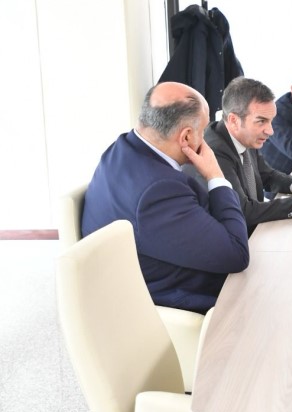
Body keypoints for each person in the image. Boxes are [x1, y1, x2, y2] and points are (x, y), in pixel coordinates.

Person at [81, 82, 249, 314]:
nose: (205, 139)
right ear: (186, 137)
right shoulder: (159, 190)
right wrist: (215, 176)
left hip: (138, 270)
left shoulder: (121, 148)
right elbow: (236, 254)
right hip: (176, 298)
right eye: (203, 131)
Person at [192, 77, 292, 234]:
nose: (270, 131)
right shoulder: (215, 151)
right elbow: (243, 211)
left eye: (270, 121)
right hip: (233, 239)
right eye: (261, 121)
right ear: (234, 120)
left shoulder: (245, 136)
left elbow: (267, 175)